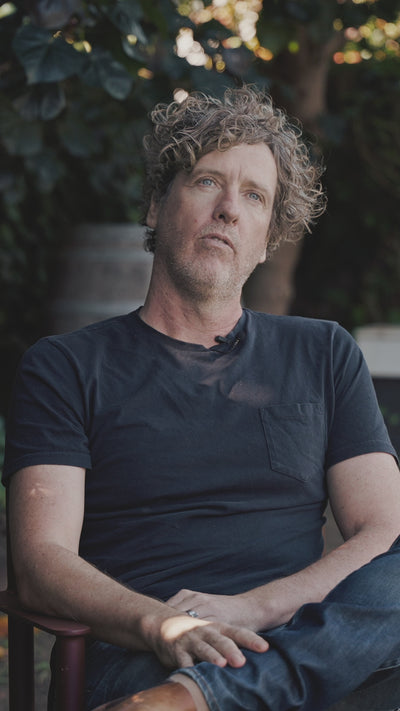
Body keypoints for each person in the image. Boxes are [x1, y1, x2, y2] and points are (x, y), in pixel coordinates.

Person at [3, 86, 400, 711]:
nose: (229, 210)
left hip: (305, 635)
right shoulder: (66, 367)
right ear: (156, 205)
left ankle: (196, 700)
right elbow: (39, 562)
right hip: (148, 652)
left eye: (254, 196)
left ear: (267, 240)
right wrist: (164, 625)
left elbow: (384, 531)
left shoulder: (323, 353)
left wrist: (253, 608)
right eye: (208, 181)